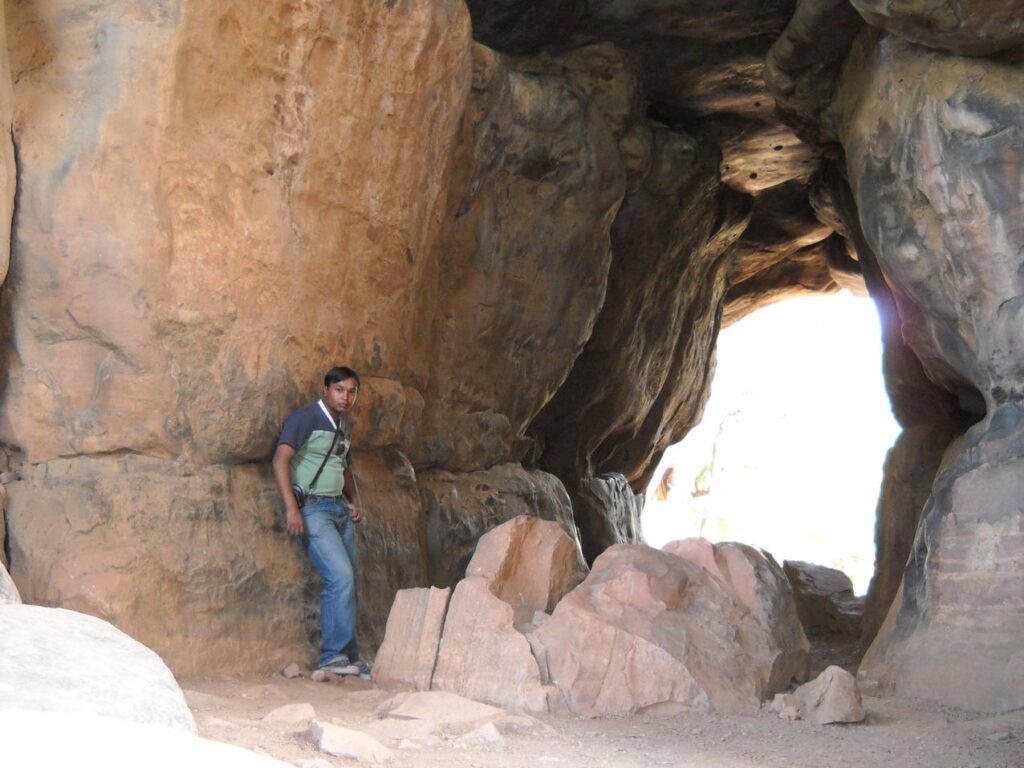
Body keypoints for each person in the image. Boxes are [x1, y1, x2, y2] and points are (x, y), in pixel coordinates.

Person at [272, 366, 369, 677]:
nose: (346, 397)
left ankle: (348, 657)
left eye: (352, 391)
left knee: (350, 579)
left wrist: (355, 501)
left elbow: (344, 465)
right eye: (339, 390)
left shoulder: (344, 425)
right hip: (313, 508)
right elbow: (280, 459)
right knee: (339, 576)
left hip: (338, 508)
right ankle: (332, 656)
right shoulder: (307, 418)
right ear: (326, 390)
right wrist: (291, 509)